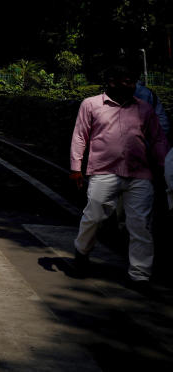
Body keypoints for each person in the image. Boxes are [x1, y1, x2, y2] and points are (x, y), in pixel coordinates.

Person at [70, 63, 168, 289]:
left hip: (140, 174)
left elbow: (158, 139)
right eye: (124, 80)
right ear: (111, 81)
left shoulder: (144, 109)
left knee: (140, 224)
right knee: (94, 216)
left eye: (132, 81)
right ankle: (82, 251)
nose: (129, 85)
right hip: (103, 170)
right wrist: (76, 168)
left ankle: (140, 275)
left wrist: (164, 167)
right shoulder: (91, 105)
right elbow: (79, 137)